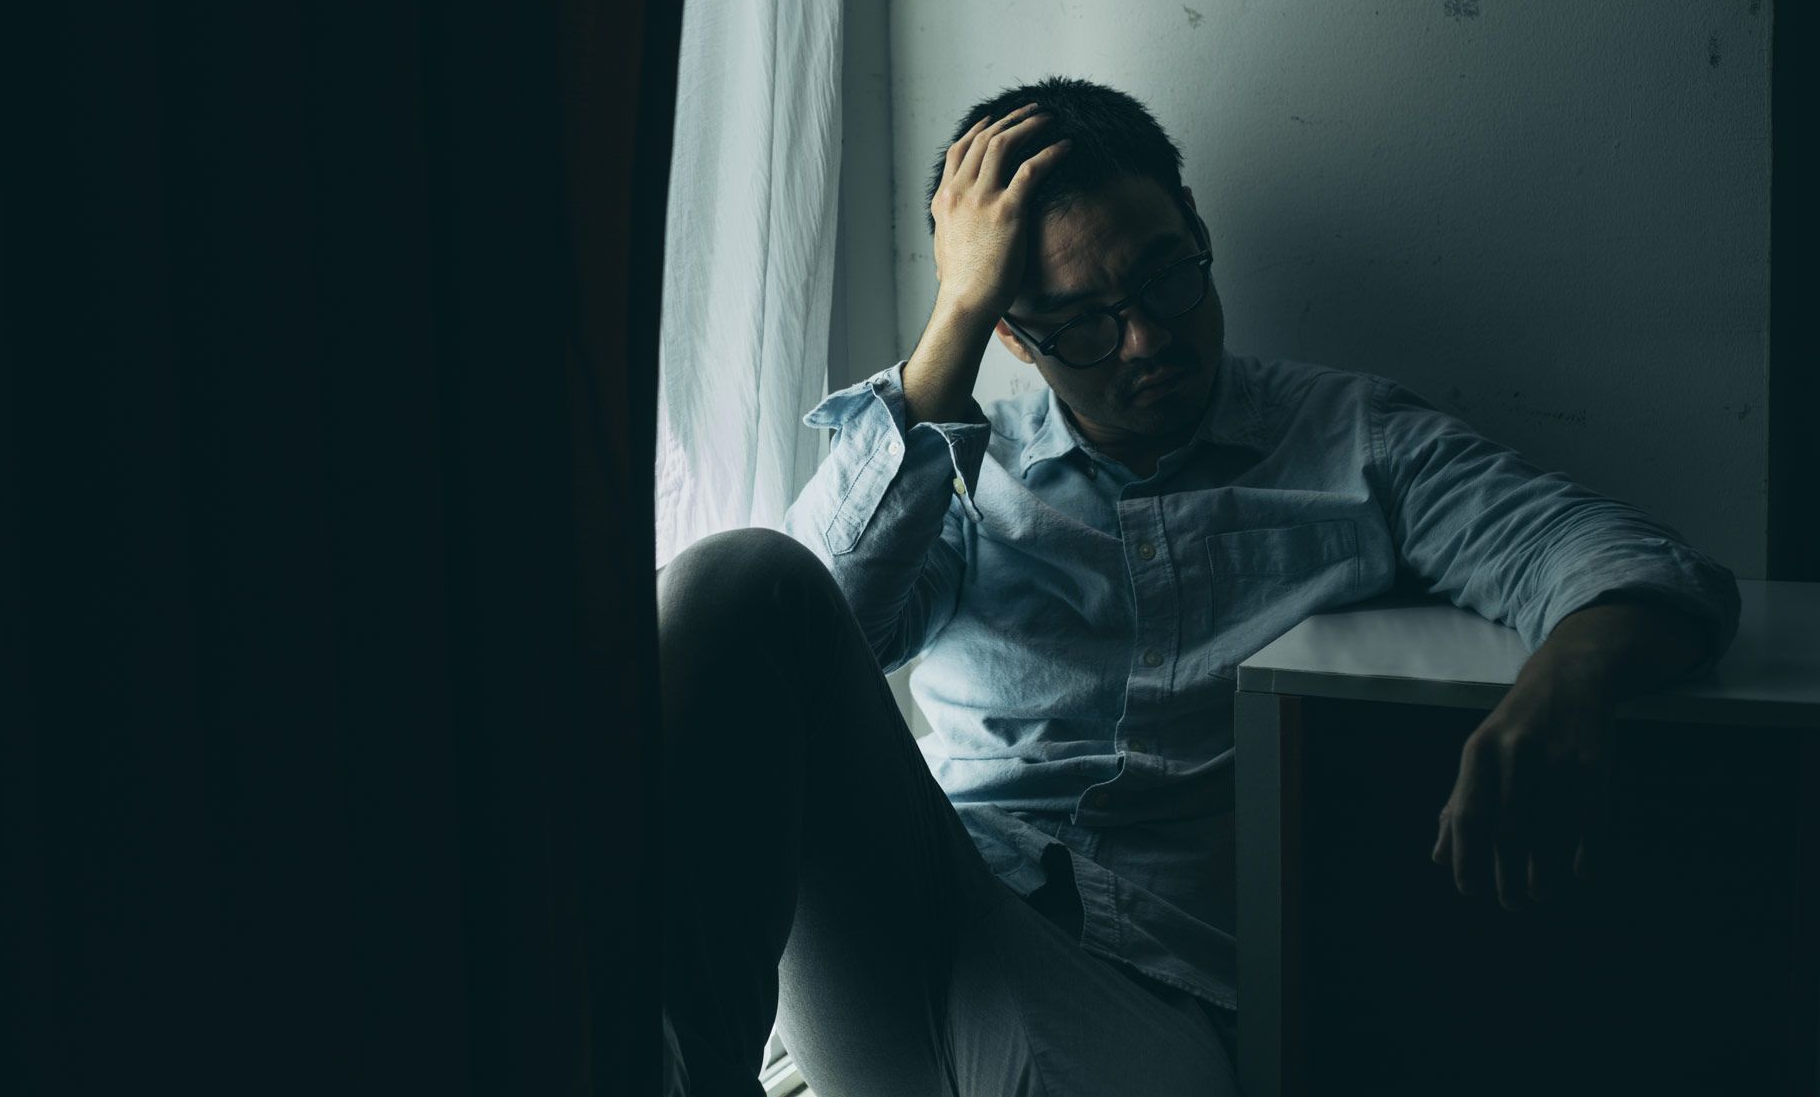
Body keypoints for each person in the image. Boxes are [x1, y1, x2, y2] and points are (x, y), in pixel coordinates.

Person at [658, 76, 1740, 1096]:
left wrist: (1571, 680)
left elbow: (1611, 550)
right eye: (1083, 319)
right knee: (730, 575)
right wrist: (953, 318)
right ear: (1015, 339)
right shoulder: (959, 467)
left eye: (1169, 277)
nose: (1149, 339)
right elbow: (804, 633)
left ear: (1195, 227)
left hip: (1153, 990)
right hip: (917, 926)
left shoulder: (1351, 439)